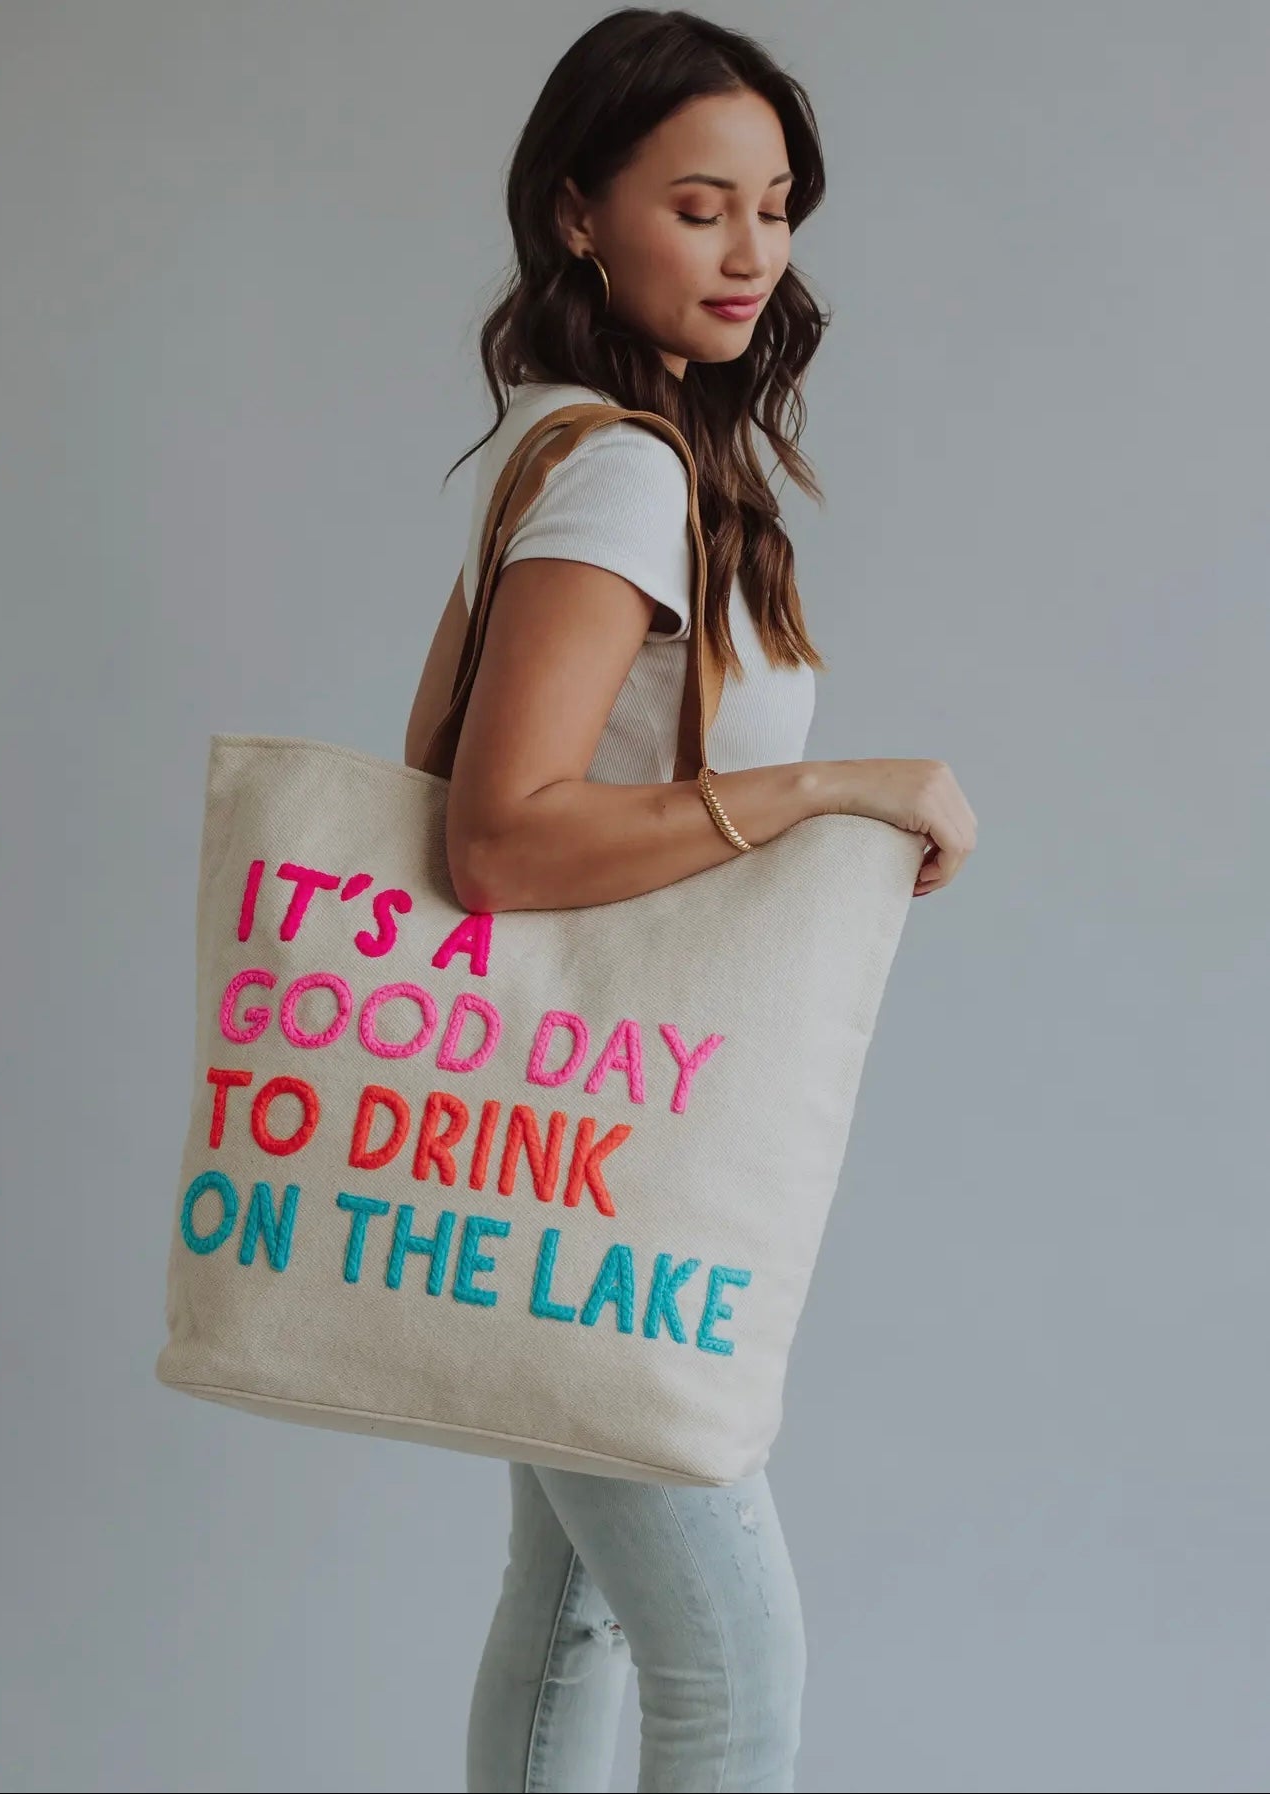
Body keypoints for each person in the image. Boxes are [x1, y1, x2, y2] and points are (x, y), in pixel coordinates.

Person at [403, 11, 977, 1791]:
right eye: (702, 206)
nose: (753, 255)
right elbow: (494, 840)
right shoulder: (623, 473)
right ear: (580, 214)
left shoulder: (595, 448)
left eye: (778, 210)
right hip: (601, 1156)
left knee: (568, 1612)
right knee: (731, 1658)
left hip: (561, 1122)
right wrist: (834, 788)